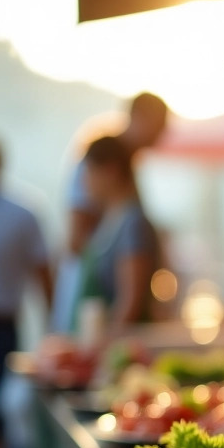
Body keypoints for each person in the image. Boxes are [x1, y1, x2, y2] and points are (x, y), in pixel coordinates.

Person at [53, 93, 168, 333]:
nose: (162, 134)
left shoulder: (128, 212)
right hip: (92, 308)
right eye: (159, 125)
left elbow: (130, 299)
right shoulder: (101, 164)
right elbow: (75, 242)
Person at [0, 141, 53, 448]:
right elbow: (45, 285)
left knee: (16, 434)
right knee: (15, 437)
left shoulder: (23, 213)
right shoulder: (23, 213)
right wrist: (54, 334)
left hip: (7, 331)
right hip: (5, 331)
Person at [75, 136, 161, 331]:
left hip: (124, 347)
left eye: (89, 172)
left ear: (110, 171)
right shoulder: (109, 219)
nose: (84, 182)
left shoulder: (132, 223)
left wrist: (102, 345)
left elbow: (130, 303)